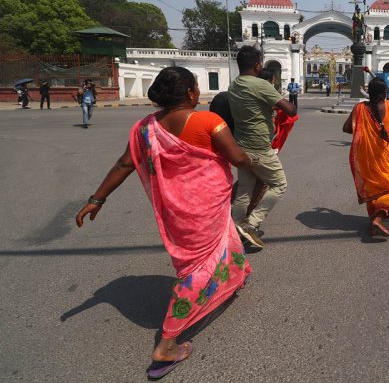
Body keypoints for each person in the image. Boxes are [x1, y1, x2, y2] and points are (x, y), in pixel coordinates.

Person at [74, 67, 254, 380]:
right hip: (207, 205)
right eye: (196, 87)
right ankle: (168, 343)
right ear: (190, 93)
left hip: (177, 210)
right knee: (198, 269)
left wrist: (98, 198)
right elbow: (237, 157)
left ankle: (236, 275)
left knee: (222, 242)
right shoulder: (209, 121)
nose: (198, 92)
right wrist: (253, 161)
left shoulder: (145, 129)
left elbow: (124, 164)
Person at [228, 46, 297, 249]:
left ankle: (235, 228)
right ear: (257, 65)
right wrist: (277, 95)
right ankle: (251, 223)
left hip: (241, 146)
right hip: (259, 147)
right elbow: (290, 110)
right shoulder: (260, 85)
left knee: (244, 191)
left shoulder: (234, 85)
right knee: (279, 184)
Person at [343, 60, 389, 237]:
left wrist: (365, 128)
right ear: (385, 93)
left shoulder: (359, 108)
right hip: (384, 156)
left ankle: (376, 218)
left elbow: (346, 129)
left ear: (368, 93)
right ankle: (377, 219)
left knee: (374, 188)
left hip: (366, 158)